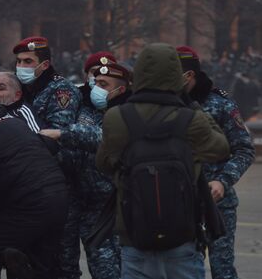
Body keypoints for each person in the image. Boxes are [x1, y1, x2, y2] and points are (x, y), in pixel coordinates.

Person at [96, 43, 230, 279]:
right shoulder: (190, 118)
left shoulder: (116, 117)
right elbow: (220, 148)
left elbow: (104, 163)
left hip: (133, 233)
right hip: (182, 234)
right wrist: (192, 104)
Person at [0, 97, 68, 279]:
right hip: (59, 193)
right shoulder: (13, 121)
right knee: (39, 261)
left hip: (28, 201)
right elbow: (48, 145)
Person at [42, 61, 130, 279]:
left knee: (107, 267)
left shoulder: (128, 112)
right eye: (95, 81)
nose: (96, 87)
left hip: (108, 202)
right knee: (66, 264)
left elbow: (107, 139)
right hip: (76, 196)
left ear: (120, 89)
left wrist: (64, 134)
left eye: (103, 84)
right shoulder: (83, 106)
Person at [177, 45, 255, 279]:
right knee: (186, 269)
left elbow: (244, 149)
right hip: (180, 203)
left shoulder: (220, 103)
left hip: (218, 203)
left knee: (222, 268)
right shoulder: (167, 103)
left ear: (189, 75)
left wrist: (223, 181)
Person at [13, 36, 80, 130]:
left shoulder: (61, 88)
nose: (21, 66)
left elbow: (58, 132)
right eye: (18, 61)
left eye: (28, 61)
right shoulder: (16, 85)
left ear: (45, 65)